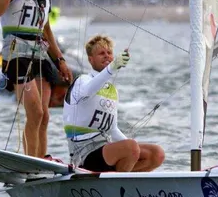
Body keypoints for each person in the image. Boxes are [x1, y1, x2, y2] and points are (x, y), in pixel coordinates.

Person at [0, 0, 72, 159]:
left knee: (44, 115)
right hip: (17, 53)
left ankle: (41, 160)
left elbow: (46, 29)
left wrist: (60, 60)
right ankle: (32, 162)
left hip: (40, 53)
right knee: (33, 113)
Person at [63, 35, 165, 172]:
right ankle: (119, 184)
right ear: (90, 59)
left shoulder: (112, 90)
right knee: (131, 148)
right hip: (83, 154)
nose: (106, 56)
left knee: (156, 154)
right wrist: (113, 67)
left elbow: (112, 130)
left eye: (109, 53)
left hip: (105, 148)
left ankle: (123, 178)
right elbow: (88, 90)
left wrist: (131, 149)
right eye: (101, 53)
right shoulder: (83, 80)